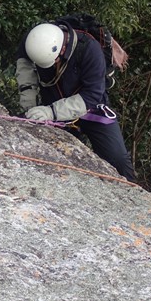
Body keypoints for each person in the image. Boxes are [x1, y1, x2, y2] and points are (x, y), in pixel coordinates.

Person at [15, 20, 136, 182]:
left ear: (63, 49)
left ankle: (130, 189)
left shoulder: (89, 50)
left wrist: (50, 112)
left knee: (118, 159)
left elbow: (92, 95)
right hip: (53, 106)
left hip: (92, 110)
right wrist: (29, 108)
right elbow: (26, 76)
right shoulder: (31, 42)